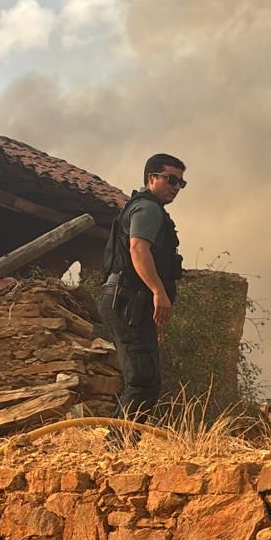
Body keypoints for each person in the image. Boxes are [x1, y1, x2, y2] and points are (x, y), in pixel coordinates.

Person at [98, 153, 186, 422]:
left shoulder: (147, 208)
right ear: (151, 178)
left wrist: (154, 311)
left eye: (181, 183)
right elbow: (138, 249)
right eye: (171, 180)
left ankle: (120, 443)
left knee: (144, 380)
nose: (176, 187)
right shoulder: (148, 209)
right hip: (127, 300)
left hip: (130, 302)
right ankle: (118, 447)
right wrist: (159, 292)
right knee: (142, 382)